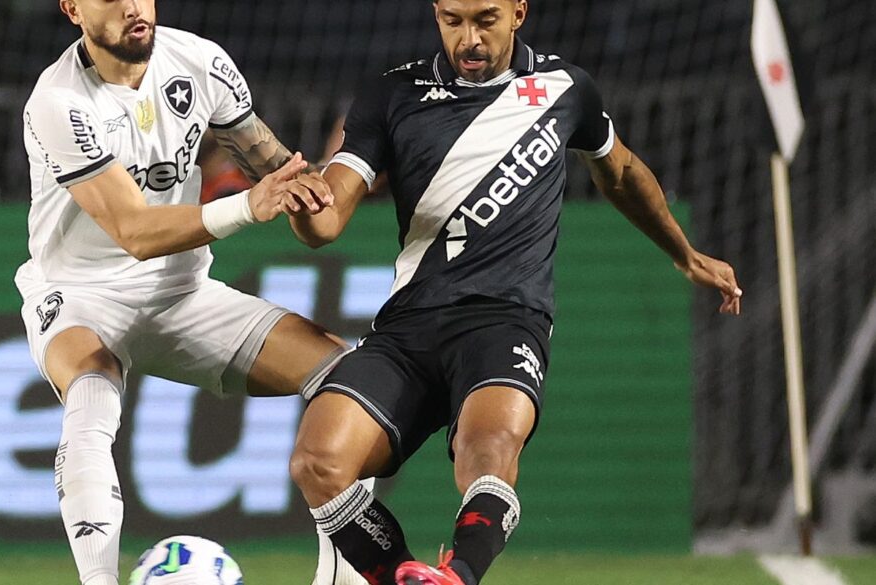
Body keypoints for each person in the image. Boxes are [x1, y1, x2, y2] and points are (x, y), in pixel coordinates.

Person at [281, 1, 743, 584]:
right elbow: (326, 221)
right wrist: (304, 205)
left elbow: (622, 172)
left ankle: (460, 575)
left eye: (486, 19)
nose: (468, 39)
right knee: (317, 461)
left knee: (488, 447)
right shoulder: (392, 93)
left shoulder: (566, 88)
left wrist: (684, 253)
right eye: (452, 20)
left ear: (518, 12)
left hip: (504, 321)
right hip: (409, 327)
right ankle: (405, 577)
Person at [16, 2, 364, 584]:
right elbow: (134, 231)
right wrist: (248, 206)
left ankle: (342, 579)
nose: (133, 7)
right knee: (91, 393)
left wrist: (324, 188)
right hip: (81, 295)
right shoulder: (59, 101)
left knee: (354, 383)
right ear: (72, 8)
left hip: (182, 292)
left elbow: (281, 174)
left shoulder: (199, 62)